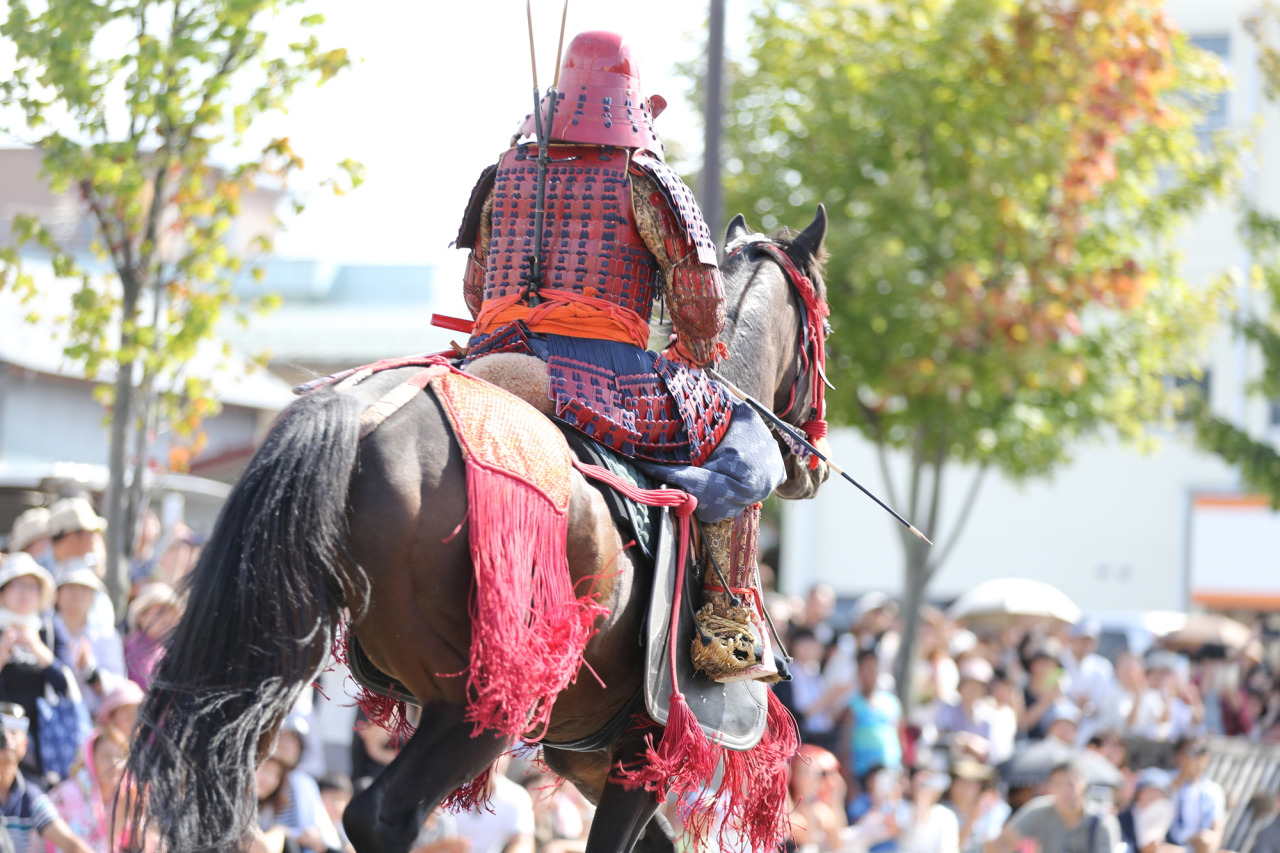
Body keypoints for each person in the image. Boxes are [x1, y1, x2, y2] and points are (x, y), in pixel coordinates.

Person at [453, 29, 789, 683]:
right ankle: (726, 627)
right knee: (739, 433)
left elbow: (475, 290)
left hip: (487, 356)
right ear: (631, 102)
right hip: (596, 374)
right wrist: (691, 353)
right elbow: (700, 310)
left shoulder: (500, 176)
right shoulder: (646, 179)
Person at [0, 555, 78, 780]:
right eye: (17, 585)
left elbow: (68, 685)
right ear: (3, 591)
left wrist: (38, 649)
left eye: (32, 587)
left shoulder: (50, 631)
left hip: (40, 743)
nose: (25, 593)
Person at [0, 703, 93, 853]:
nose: (6, 737)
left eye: (13, 731)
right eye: (1, 731)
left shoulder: (31, 798)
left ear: (25, 745)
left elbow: (72, 845)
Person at [991, 760, 1119, 853]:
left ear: (1084, 785)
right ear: (1050, 787)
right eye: (1059, 784)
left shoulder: (1102, 820)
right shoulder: (1040, 810)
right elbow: (1003, 841)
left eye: (1071, 784)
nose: (1065, 791)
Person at [51, 563, 125, 720]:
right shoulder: (44, 630)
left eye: (84, 588)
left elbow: (118, 684)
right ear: (57, 594)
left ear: (93, 597)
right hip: (50, 717)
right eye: (70, 587)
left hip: (93, 719)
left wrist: (91, 673)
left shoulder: (107, 636)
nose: (77, 593)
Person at [46, 726, 133, 852]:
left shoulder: (123, 798)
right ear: (91, 758)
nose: (115, 764)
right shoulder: (68, 795)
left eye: (121, 756)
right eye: (106, 757)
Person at [837, 649, 904, 785]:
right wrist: (850, 783)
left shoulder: (892, 703)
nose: (870, 674)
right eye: (865, 669)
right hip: (861, 773)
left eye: (873, 669)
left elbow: (900, 736)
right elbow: (845, 745)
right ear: (858, 673)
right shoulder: (851, 706)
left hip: (891, 770)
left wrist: (903, 772)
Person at [451, 755, 534, 853]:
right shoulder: (450, 789)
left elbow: (523, 842)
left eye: (501, 753)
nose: (493, 760)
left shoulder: (518, 796)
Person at [1165, 735, 1224, 853]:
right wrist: (1184, 775)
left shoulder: (1213, 790)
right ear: (1178, 756)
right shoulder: (1165, 780)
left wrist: (1205, 841)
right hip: (1168, 843)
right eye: (1190, 752)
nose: (1196, 759)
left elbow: (1217, 831)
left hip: (1199, 846)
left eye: (1200, 755)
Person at [787, 744, 848, 852]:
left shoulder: (820, 809)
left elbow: (838, 842)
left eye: (818, 773)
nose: (812, 777)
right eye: (804, 771)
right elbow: (806, 837)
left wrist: (836, 797)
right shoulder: (786, 804)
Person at [934, 658, 995, 764]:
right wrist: (963, 740)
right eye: (970, 685)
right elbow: (942, 737)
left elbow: (990, 751)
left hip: (976, 767)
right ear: (961, 687)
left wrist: (972, 744)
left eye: (978, 687)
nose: (974, 690)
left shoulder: (988, 716)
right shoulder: (948, 708)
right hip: (949, 764)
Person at [123, 582, 182, 690]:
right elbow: (146, 686)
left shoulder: (163, 649)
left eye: (171, 613)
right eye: (160, 613)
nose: (166, 619)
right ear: (141, 617)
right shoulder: (136, 647)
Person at [943, 759, 1009, 853]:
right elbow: (953, 848)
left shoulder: (990, 808)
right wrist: (972, 819)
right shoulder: (943, 812)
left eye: (971, 785)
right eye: (961, 783)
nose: (965, 790)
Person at [1116, 768, 1174, 853]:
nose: (1154, 798)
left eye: (1159, 793)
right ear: (1139, 794)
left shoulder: (1163, 820)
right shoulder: (1122, 820)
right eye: (1150, 792)